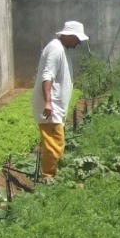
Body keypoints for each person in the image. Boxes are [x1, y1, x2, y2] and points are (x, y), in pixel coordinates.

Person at [33, 21, 88, 179]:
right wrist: (48, 102)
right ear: (69, 36)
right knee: (54, 145)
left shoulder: (62, 49)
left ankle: (53, 174)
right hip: (51, 107)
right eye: (77, 39)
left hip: (56, 106)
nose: (79, 43)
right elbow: (47, 76)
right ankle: (48, 178)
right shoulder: (56, 49)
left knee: (57, 143)